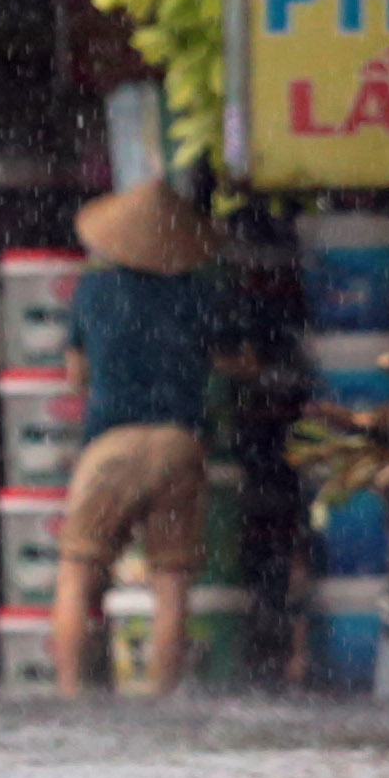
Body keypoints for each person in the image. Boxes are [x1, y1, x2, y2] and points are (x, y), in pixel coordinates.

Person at [56, 177, 227, 697]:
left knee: (77, 571)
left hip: (110, 445)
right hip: (179, 444)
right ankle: (163, 698)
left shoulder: (94, 289)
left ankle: (68, 693)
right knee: (171, 581)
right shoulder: (197, 292)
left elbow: (75, 375)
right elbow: (235, 359)